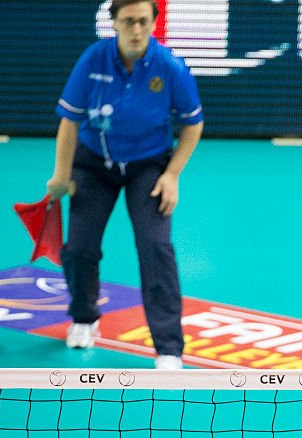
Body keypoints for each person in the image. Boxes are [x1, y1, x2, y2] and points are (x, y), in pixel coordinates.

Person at [45, 0, 204, 369]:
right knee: (80, 249)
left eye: (144, 22)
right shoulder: (93, 60)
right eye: (129, 21)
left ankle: (168, 347)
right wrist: (62, 174)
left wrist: (172, 175)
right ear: (114, 22)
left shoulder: (170, 67)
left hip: (148, 166)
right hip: (93, 164)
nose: (137, 30)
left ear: (153, 23)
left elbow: (193, 124)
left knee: (155, 246)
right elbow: (69, 121)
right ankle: (85, 319)